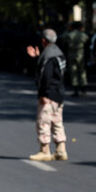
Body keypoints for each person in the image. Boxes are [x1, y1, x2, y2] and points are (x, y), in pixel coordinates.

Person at [26, 28, 68, 161]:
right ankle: (61, 149)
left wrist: (44, 94)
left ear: (43, 40)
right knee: (57, 121)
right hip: (59, 93)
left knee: (43, 121)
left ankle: (44, 150)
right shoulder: (58, 53)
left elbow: (47, 76)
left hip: (49, 94)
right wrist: (38, 57)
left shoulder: (48, 55)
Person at [64, 21, 89, 96]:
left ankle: (76, 90)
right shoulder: (83, 35)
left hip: (71, 55)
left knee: (73, 72)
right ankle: (84, 89)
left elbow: (64, 43)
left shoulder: (69, 35)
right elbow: (87, 45)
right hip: (80, 55)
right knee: (82, 72)